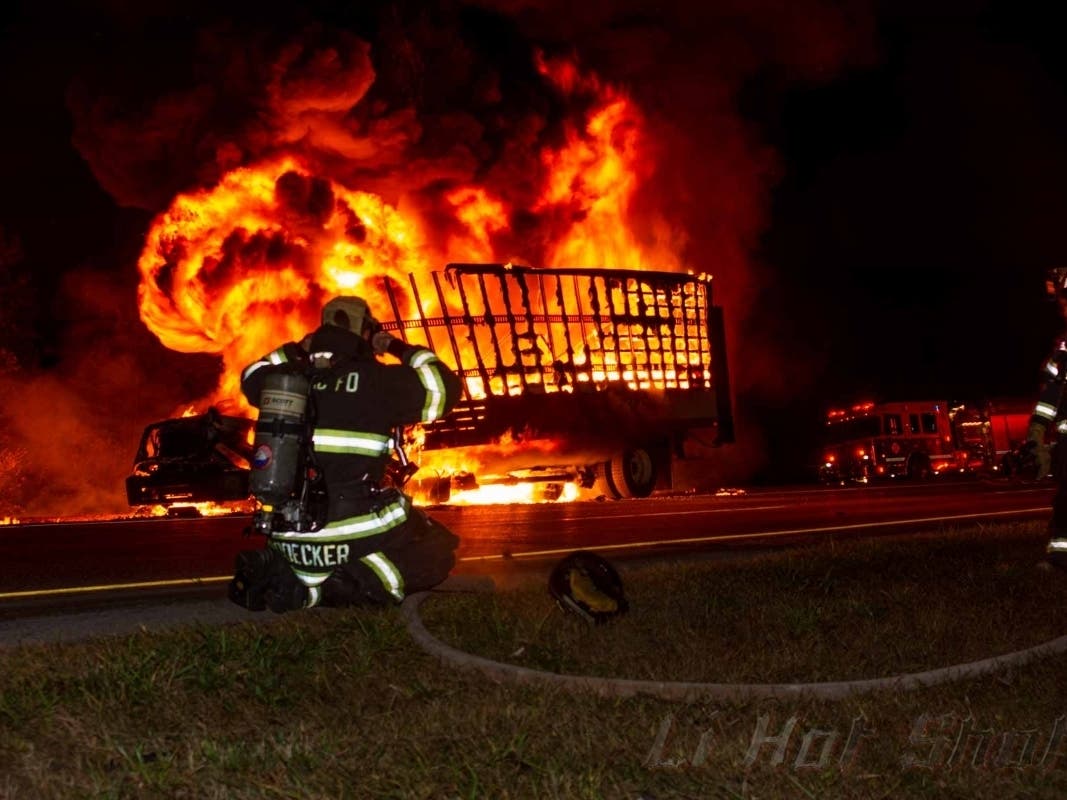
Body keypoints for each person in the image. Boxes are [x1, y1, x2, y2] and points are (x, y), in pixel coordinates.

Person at [228, 296, 462, 612]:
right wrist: (393, 345)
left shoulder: (286, 380)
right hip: (349, 535)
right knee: (436, 547)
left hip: (287, 533)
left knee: (311, 557)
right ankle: (353, 582)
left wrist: (299, 349)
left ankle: (293, 581)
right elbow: (445, 386)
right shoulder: (378, 381)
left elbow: (251, 375)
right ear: (366, 331)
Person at [1027, 268, 1067, 570]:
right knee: (1065, 500)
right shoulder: (1063, 348)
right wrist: (1037, 433)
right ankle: (1060, 558)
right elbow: (1050, 394)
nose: (1062, 309)